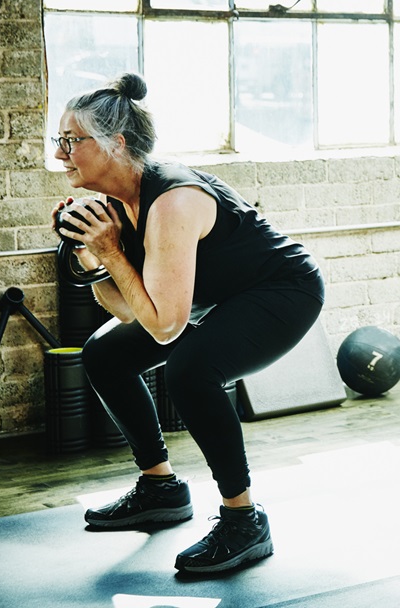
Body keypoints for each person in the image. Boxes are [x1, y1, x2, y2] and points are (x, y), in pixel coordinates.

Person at [52, 73, 325, 574]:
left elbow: (164, 329)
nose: (60, 154)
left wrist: (111, 250)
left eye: (71, 141)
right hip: (215, 300)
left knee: (190, 371)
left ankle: (244, 518)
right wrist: (93, 256)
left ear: (116, 143)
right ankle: (161, 487)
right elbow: (133, 312)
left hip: (281, 291)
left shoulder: (173, 201)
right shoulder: (117, 202)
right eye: (60, 140)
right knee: (105, 352)